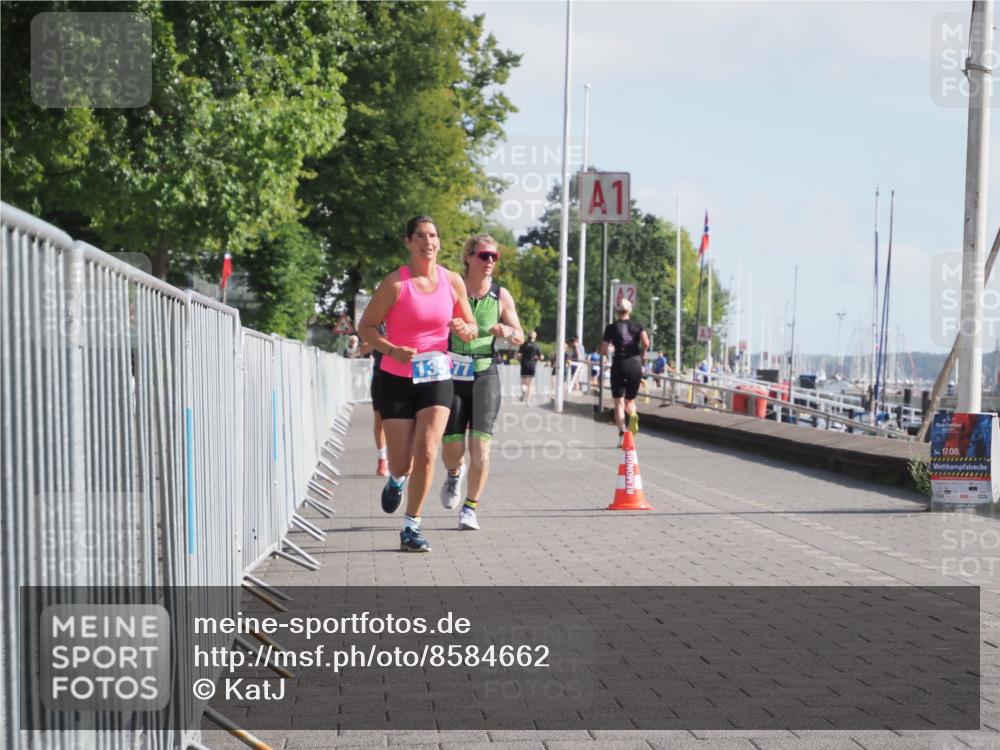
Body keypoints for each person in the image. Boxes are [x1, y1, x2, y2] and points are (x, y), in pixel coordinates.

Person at [358, 216, 477, 552]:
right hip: (396, 379)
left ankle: (411, 526)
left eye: (433, 235)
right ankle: (396, 479)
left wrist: (465, 329)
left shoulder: (452, 281)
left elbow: (471, 326)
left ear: (439, 241)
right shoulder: (396, 283)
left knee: (426, 451)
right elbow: (366, 327)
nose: (428, 242)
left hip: (436, 376)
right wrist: (391, 349)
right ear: (408, 242)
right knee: (402, 463)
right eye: (421, 236)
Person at [439, 234, 524, 530]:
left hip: (485, 374)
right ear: (468, 257)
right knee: (452, 449)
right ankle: (454, 473)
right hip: (452, 374)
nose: (489, 261)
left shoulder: (500, 295)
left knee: (481, 448)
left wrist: (507, 332)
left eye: (494, 257)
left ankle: (470, 508)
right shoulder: (451, 290)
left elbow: (519, 334)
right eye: (483, 255)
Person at [600, 298, 649, 447]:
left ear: (617, 311)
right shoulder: (638, 325)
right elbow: (646, 343)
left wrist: (607, 353)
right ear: (630, 311)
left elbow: (603, 349)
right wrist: (642, 354)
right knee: (630, 401)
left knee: (619, 403)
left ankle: (622, 435)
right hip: (635, 363)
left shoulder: (611, 327)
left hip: (619, 365)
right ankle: (633, 415)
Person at [360, 323, 389, 476]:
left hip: (404, 377)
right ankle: (382, 458)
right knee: (379, 422)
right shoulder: (377, 325)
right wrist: (379, 341)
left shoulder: (405, 319)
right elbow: (362, 349)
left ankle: (400, 457)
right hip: (381, 378)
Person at [518, 332, 542, 404]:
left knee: (524, 382)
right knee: (530, 385)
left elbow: (519, 355)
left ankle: (523, 391)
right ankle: (528, 401)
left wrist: (520, 359)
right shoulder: (536, 346)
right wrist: (537, 358)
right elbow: (541, 357)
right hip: (532, 365)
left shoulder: (523, 344)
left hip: (524, 364)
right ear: (535, 337)